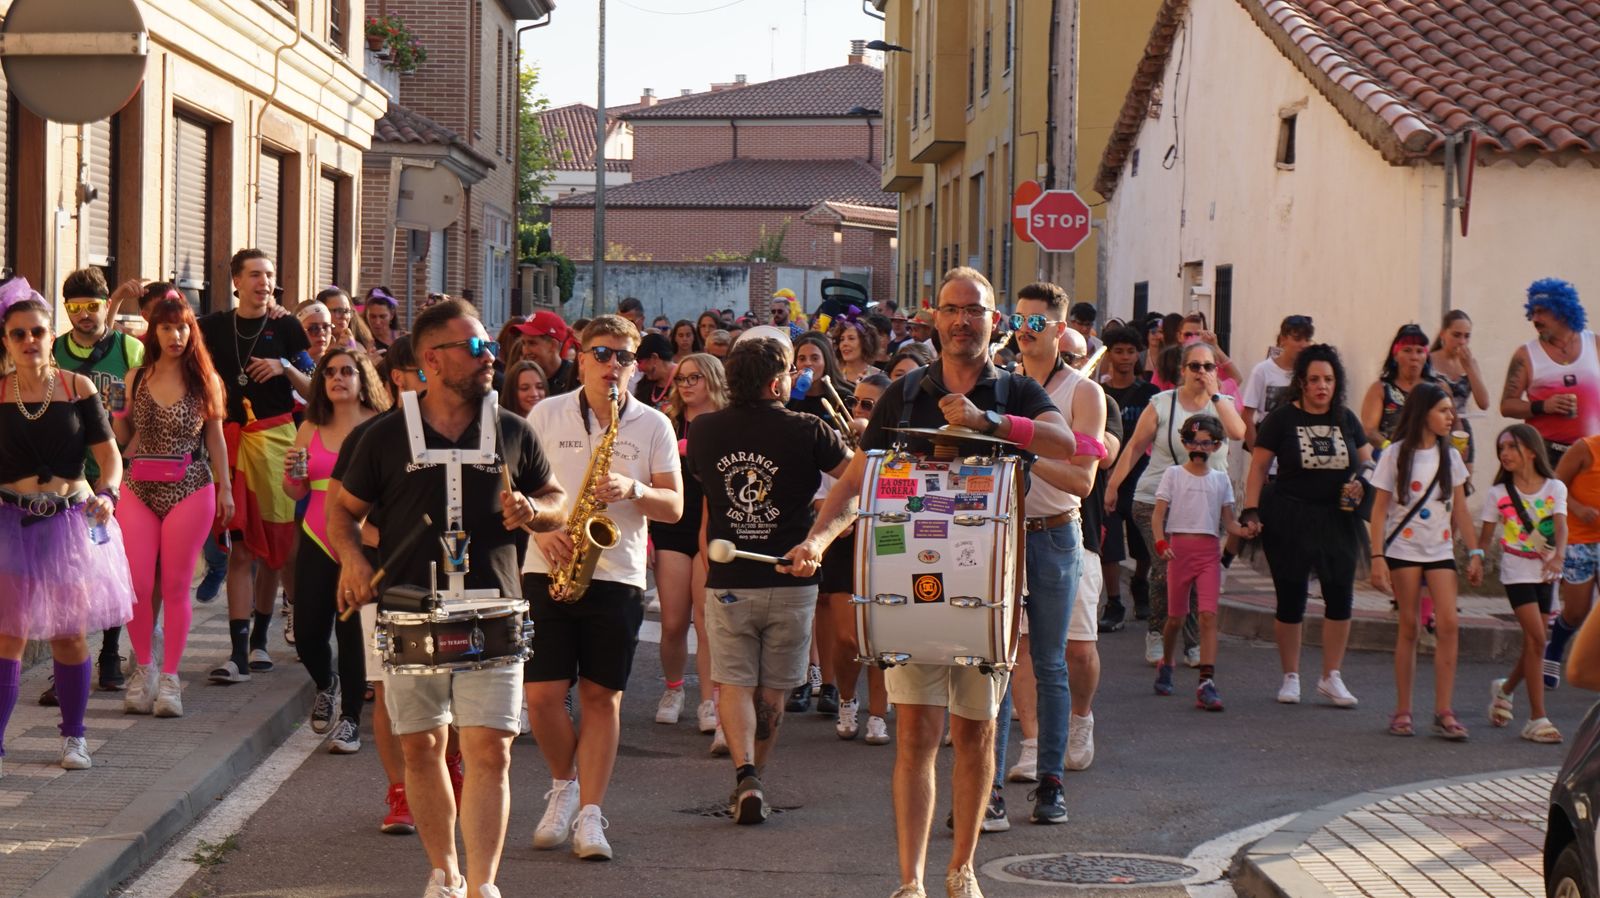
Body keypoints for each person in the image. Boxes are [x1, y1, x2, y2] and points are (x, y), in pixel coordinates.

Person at [790, 268, 1074, 898]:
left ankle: (962, 868)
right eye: (951, 310)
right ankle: (912, 881)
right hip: (911, 580)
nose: (962, 320)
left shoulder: (1018, 390)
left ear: (993, 322)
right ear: (935, 319)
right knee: (916, 733)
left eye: (975, 310)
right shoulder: (905, 392)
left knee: (973, 733)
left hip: (985, 590)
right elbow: (859, 475)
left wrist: (989, 422)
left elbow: (1068, 442)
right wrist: (818, 538)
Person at [331, 299, 567, 898]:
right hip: (411, 608)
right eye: (474, 347)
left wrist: (536, 512)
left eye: (488, 345)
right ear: (431, 359)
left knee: (491, 749)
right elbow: (341, 511)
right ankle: (444, 872)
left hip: (495, 608)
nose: (490, 357)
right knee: (424, 744)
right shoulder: (382, 435)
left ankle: (483, 883)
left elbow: (557, 497)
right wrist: (355, 562)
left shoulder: (512, 428)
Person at [523, 315, 683, 862]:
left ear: (635, 366)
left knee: (600, 697)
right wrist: (539, 530)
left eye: (622, 357)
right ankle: (563, 785)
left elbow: (675, 505)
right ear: (580, 357)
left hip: (616, 572)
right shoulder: (545, 413)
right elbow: (513, 487)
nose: (611, 365)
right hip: (549, 564)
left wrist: (635, 487)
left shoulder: (652, 425)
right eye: (601, 353)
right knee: (541, 696)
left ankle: (590, 813)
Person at [687, 336, 851, 825]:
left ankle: (744, 777)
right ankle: (757, 775)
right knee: (773, 693)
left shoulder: (704, 430)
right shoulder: (809, 429)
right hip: (792, 578)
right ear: (778, 381)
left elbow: (712, 500)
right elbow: (856, 487)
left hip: (729, 576)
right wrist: (819, 542)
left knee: (733, 683)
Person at [0, 287, 134, 775]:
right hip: (9, 523)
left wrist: (109, 494)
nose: (30, 340)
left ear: (49, 336)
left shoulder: (78, 388)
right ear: (7, 342)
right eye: (19, 334)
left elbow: (109, 456)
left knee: (69, 636)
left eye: (38, 331)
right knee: (8, 636)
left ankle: (74, 738)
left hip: (69, 523)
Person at [990, 283, 1102, 826]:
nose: (1024, 329)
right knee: (996, 660)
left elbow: (1082, 480)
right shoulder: (1001, 384)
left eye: (1036, 322)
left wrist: (1023, 451)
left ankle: (1050, 784)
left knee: (1052, 662)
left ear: (1060, 330)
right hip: (1002, 533)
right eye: (1018, 319)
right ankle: (987, 787)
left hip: (1056, 533)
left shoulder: (1083, 393)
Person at [113, 293, 233, 718]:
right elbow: (124, 440)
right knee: (139, 586)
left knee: (176, 584)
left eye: (182, 327)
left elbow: (215, 439)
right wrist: (116, 413)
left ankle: (170, 679)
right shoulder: (135, 377)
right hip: (139, 484)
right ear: (155, 332)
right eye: (166, 327)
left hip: (191, 484)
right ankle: (143, 667)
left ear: (191, 330)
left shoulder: (207, 381)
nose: (175, 335)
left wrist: (226, 487)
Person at [199, 249, 314, 683]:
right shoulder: (212, 327)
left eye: (269, 275)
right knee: (242, 549)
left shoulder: (286, 326)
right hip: (229, 445)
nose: (264, 282)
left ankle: (262, 640)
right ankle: (238, 654)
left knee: (276, 552)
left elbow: (314, 388)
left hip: (278, 442)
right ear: (236, 281)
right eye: (255, 275)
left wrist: (284, 366)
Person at [327, 335, 427, 834]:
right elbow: (345, 512)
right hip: (388, 576)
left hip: (452, 580)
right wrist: (367, 549)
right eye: (420, 372)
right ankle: (401, 791)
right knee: (389, 689)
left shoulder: (472, 431)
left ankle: (443, 773)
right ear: (398, 378)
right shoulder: (373, 436)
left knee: (443, 694)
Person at [1241, 344, 1369, 708]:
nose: (1321, 386)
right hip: (1290, 516)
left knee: (1340, 596)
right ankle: (1290, 676)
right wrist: (1251, 509)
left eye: (1328, 379)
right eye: (1314, 380)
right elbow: (1259, 468)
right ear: (1301, 382)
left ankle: (1332, 676)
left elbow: (1368, 459)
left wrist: (1363, 478)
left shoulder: (1346, 418)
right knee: (1291, 598)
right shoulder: (1282, 419)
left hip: (1338, 518)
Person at [1106, 341, 1244, 667]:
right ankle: (1156, 632)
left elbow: (1239, 433)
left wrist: (1214, 396)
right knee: (1167, 569)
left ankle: (1192, 644)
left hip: (1207, 505)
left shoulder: (1221, 404)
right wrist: (1113, 485)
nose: (1201, 373)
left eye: (1208, 367)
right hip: (1157, 499)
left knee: (1197, 573)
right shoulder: (1162, 403)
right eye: (1194, 366)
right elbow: (1136, 446)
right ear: (1182, 371)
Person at [285, 349, 389, 752]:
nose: (338, 378)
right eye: (329, 372)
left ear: (364, 378)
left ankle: (349, 719)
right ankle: (325, 683)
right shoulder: (311, 425)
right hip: (315, 534)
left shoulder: (380, 426)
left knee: (352, 634)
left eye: (347, 371)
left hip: (362, 541)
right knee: (309, 631)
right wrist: (293, 472)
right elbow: (294, 490)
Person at [1368, 382, 1482, 739]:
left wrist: (1476, 552)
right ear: (1424, 413)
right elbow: (1379, 509)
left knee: (1448, 624)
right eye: (1444, 410)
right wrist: (1377, 558)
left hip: (1441, 550)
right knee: (1409, 627)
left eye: (1451, 410)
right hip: (1403, 549)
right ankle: (1403, 710)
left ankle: (1444, 710)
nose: (1452, 417)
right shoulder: (1395, 454)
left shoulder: (1450, 457)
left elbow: (1460, 508)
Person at [52, 268, 146, 690]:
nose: (85, 316)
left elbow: (146, 404)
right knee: (68, 572)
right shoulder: (54, 348)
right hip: (68, 477)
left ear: (106, 304)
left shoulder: (128, 348)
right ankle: (66, 668)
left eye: (92, 307)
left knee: (110, 566)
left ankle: (110, 653)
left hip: (114, 473)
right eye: (76, 308)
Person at [649, 353, 728, 744]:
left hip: (715, 529)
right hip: (672, 528)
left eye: (695, 377)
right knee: (673, 621)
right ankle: (674, 686)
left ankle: (710, 700)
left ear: (713, 379)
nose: (686, 384)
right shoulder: (665, 422)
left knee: (707, 621)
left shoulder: (728, 424)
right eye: (681, 378)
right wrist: (648, 536)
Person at [1150, 414, 1246, 709]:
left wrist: (1246, 530)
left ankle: (1207, 681)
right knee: (1176, 618)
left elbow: (1229, 523)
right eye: (1193, 441)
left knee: (1208, 615)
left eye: (1206, 443)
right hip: (1178, 551)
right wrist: (1161, 542)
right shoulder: (1174, 475)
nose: (1199, 448)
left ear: (1216, 446)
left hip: (1208, 553)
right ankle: (1167, 662)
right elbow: (1158, 515)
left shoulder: (1220, 481)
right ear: (1183, 442)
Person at [1478, 424, 1566, 743]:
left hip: (1545, 573)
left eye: (1511, 447)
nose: (1505, 454)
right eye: (1501, 449)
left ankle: (1504, 690)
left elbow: (1560, 526)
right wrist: (1476, 558)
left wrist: (1559, 557)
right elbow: (1485, 536)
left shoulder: (1555, 488)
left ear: (1531, 450)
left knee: (1534, 643)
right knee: (1538, 639)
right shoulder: (1498, 493)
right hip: (1516, 573)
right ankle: (1537, 718)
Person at [784, 332, 856, 715]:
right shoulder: (789, 405)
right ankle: (804, 676)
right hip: (802, 509)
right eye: (801, 358)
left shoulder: (841, 399)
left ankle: (830, 683)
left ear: (827, 360)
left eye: (814, 356)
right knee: (805, 600)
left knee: (830, 600)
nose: (808, 364)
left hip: (837, 508)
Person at [826, 373, 892, 746]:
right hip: (845, 540)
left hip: (885, 537)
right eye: (857, 402)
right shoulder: (837, 438)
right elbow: (829, 491)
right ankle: (848, 701)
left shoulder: (900, 439)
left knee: (881, 634)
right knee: (847, 637)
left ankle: (879, 713)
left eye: (869, 405)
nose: (858, 410)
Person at [1501, 278, 1600, 470]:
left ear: (1563, 311)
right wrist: (1543, 406)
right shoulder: (1526, 355)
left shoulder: (1595, 344)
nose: (1535, 319)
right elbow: (1507, 406)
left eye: (1542, 311)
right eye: (1533, 312)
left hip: (1592, 452)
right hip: (1545, 453)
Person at [1098, 325, 1159, 628]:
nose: (1125, 357)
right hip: (1105, 476)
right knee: (1108, 543)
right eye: (1118, 351)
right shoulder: (1098, 393)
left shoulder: (1151, 395)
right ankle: (1114, 602)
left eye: (1131, 351)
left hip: (1142, 477)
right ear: (1108, 354)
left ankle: (1140, 583)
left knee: (1143, 541)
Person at [1550, 431, 1600, 690]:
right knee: (1576, 612)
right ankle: (1555, 649)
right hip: (1579, 541)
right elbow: (1556, 485)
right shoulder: (1585, 448)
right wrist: (1578, 508)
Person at [1242, 315, 1315, 453]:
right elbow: (1246, 415)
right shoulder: (1262, 371)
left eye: (1307, 339)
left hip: (1302, 457)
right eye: (1297, 339)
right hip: (1270, 458)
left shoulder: (1310, 373)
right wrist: (1256, 453)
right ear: (1283, 340)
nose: (1303, 345)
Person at [1430, 310, 1489, 471]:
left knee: (1463, 479)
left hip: (1461, 427)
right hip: (1433, 426)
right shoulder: (1429, 361)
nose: (1462, 341)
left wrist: (1469, 367)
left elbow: (1483, 402)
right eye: (1456, 335)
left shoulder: (1470, 363)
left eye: (1466, 336)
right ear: (1443, 334)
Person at [1361, 324, 1435, 449]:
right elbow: (1369, 430)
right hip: (1391, 461)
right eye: (1407, 350)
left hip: (1431, 461)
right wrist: (1390, 449)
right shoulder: (1380, 389)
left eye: (1419, 351)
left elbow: (1454, 423)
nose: (1414, 357)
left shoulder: (1437, 388)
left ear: (1426, 356)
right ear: (1395, 355)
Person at [513, 311, 578, 397]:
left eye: (532, 343)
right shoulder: (519, 378)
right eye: (523, 343)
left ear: (553, 345)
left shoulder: (576, 380)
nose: (526, 351)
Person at [633, 333, 677, 411]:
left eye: (639, 362)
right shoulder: (644, 386)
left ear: (654, 358)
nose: (639, 368)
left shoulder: (684, 381)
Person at [836, 320, 884, 385]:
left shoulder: (879, 378)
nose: (845, 343)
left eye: (851, 338)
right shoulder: (834, 374)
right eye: (842, 339)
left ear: (865, 343)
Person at [364, 288, 404, 353]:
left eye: (382, 317)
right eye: (373, 316)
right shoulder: (362, 341)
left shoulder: (404, 339)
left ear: (392, 315)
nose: (377, 322)